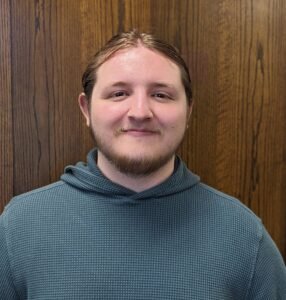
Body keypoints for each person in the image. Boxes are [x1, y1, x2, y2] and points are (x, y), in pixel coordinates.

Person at [0, 29, 285, 300]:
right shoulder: (18, 229)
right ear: (86, 109)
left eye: (161, 94)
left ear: (188, 111)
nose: (139, 112)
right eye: (119, 93)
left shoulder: (244, 236)